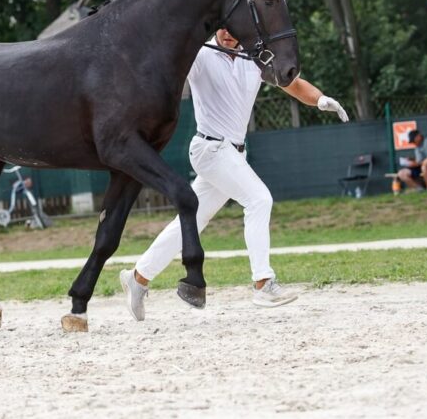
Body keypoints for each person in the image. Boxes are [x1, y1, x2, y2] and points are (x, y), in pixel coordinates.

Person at [119, 28, 349, 320]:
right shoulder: (201, 53)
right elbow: (165, 66)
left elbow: (291, 83)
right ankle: (263, 283)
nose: (227, 33)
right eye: (222, 26)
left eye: (233, 28)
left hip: (234, 154)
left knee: (191, 222)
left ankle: (137, 278)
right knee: (259, 200)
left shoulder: (255, 56)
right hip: (210, 149)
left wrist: (320, 99)